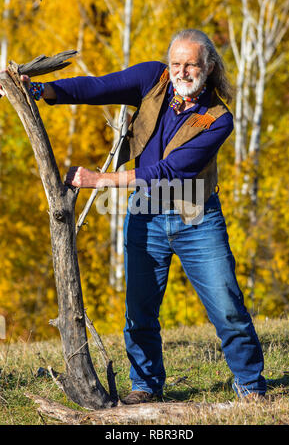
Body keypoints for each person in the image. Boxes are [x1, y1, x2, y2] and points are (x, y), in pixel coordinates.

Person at [1, 29, 267, 403]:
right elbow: (100, 88)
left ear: (208, 67)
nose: (182, 71)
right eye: (177, 63)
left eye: (191, 64)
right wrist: (47, 92)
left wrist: (101, 180)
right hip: (146, 210)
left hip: (195, 215)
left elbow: (170, 171)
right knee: (139, 311)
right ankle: (145, 386)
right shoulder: (151, 78)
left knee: (227, 307)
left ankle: (252, 389)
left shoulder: (218, 119)